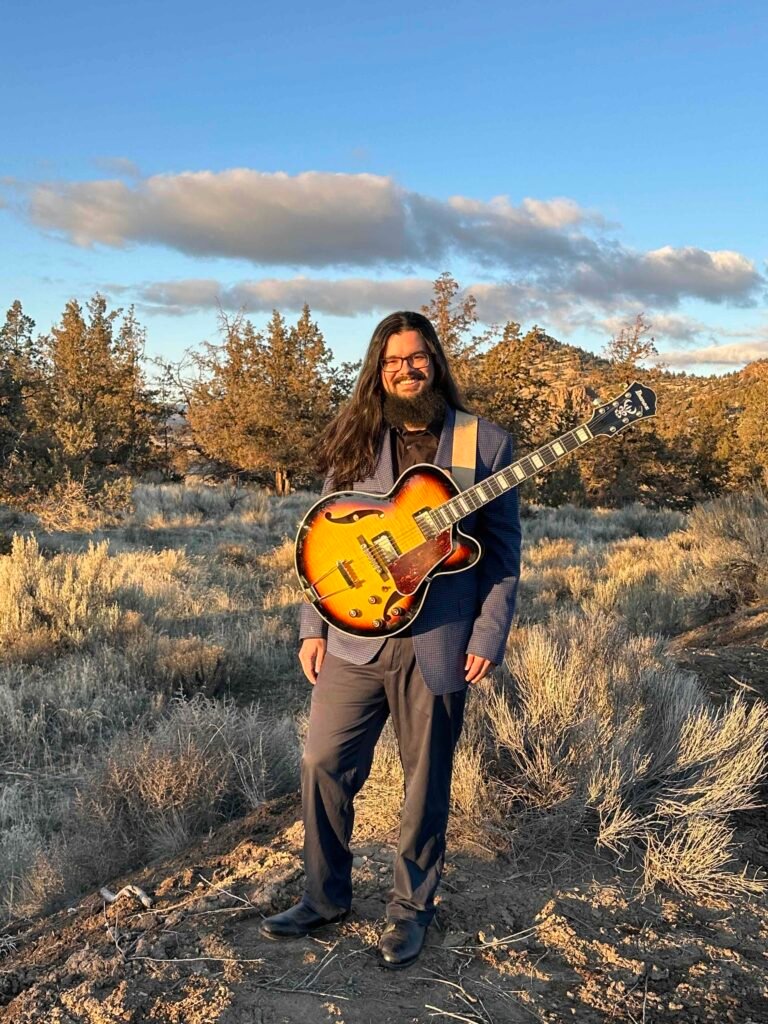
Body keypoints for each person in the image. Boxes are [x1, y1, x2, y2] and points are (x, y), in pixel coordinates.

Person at [260, 311, 521, 968]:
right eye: (394, 360)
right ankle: (324, 897)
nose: (408, 368)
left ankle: (411, 912)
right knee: (322, 763)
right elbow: (322, 536)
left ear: (436, 361)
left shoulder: (481, 444)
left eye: (418, 356)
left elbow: (503, 552)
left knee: (424, 782)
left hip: (439, 640)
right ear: (378, 370)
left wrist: (489, 631)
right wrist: (312, 624)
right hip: (353, 638)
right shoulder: (357, 438)